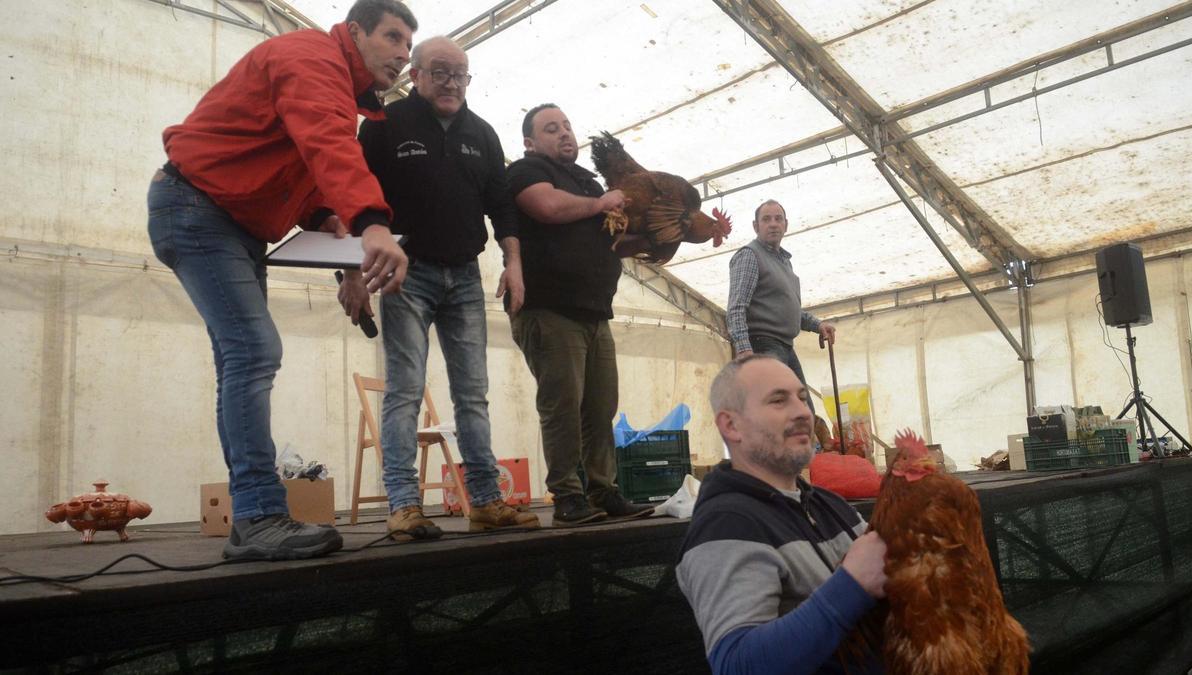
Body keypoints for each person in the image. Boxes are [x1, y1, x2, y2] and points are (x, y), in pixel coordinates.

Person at [147, 0, 416, 561]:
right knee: (253, 350)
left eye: (408, 45)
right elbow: (327, 145)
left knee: (240, 357)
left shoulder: (337, 89)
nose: (402, 54)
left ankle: (252, 518)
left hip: (232, 221)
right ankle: (260, 514)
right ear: (355, 31)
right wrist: (372, 224)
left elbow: (308, 180)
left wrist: (344, 256)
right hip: (198, 208)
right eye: (393, 37)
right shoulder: (312, 58)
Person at [340, 36, 538, 539]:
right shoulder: (384, 125)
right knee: (404, 389)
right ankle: (404, 505)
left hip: (465, 274)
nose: (452, 82)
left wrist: (513, 264)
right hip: (406, 272)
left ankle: (487, 501)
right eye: (441, 72)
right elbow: (354, 197)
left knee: (474, 392)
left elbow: (502, 205)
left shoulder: (484, 134)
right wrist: (351, 273)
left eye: (461, 74)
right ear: (416, 74)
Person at [676, 355, 887, 674]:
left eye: (802, 398)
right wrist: (852, 585)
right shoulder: (727, 524)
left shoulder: (830, 504)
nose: (803, 412)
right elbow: (737, 664)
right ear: (731, 425)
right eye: (779, 400)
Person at [506, 103, 656, 526]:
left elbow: (613, 241)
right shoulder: (526, 170)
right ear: (531, 142)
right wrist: (600, 203)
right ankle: (567, 496)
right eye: (551, 129)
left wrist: (662, 238)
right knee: (563, 406)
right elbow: (548, 208)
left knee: (600, 405)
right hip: (549, 307)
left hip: (594, 311)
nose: (564, 133)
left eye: (567, 125)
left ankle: (602, 488)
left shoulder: (589, 183)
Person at [726, 200, 836, 413]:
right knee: (780, 413)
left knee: (803, 412)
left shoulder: (784, 262)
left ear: (786, 225)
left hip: (784, 346)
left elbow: (792, 310)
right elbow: (736, 307)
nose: (773, 224)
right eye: (766, 219)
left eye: (778, 219)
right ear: (756, 226)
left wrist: (818, 324)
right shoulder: (749, 255)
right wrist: (744, 349)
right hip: (763, 346)